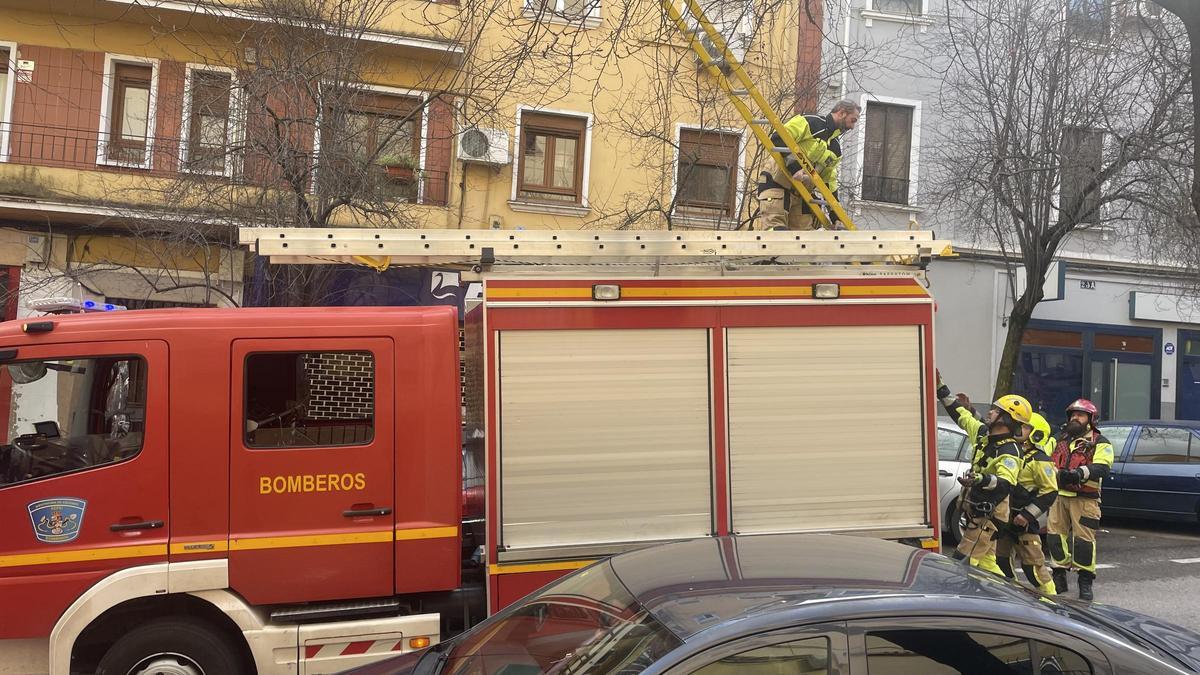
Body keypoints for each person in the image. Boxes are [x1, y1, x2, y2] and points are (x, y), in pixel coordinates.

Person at [936, 371, 1030, 575]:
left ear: (1007, 419)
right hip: (978, 508)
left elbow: (1006, 483)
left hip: (989, 515)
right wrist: (940, 388)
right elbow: (960, 415)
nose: (990, 412)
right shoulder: (982, 434)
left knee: (963, 562)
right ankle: (1007, 599)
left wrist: (980, 479)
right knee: (988, 565)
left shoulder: (1011, 450)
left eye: (996, 410)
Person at [756, 100, 860, 231]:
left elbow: (829, 183)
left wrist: (835, 217)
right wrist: (795, 168)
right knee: (777, 233)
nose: (852, 127)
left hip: (802, 194)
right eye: (853, 120)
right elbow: (778, 138)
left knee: (804, 241)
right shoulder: (810, 122)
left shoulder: (835, 148)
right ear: (842, 113)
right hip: (778, 184)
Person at [1048, 399, 1114, 602]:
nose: (1075, 418)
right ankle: (1059, 576)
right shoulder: (1059, 438)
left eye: (1081, 415)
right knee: (1054, 538)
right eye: (1073, 414)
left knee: (1084, 541)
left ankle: (1085, 581)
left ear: (1090, 420)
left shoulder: (1100, 441)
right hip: (1058, 497)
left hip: (1086, 499)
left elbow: (1103, 467)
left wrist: (1078, 473)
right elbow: (1042, 454)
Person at [995, 412, 1058, 594]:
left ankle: (1053, 603)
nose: (1017, 428)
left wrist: (1027, 515)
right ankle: (1013, 599)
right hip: (1004, 519)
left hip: (1023, 522)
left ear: (1036, 433)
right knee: (1001, 563)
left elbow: (1050, 491)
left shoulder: (1040, 460)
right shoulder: (1012, 452)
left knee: (1034, 569)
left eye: (1024, 426)